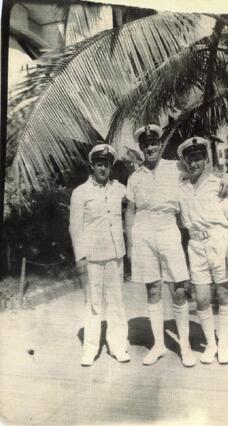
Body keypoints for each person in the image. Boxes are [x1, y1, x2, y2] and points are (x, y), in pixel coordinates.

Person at [125, 124, 228, 367]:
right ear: (141, 148)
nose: (150, 147)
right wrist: (130, 245)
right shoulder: (134, 177)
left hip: (168, 228)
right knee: (152, 289)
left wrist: (224, 174)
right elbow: (130, 211)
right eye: (145, 144)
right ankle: (159, 345)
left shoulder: (176, 167)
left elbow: (203, 170)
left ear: (160, 145)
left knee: (179, 289)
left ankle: (184, 346)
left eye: (154, 143)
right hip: (142, 230)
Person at [177, 137, 228, 364]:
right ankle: (211, 344)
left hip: (219, 241)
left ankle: (223, 343)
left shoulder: (219, 184)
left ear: (206, 159)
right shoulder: (181, 187)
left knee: (224, 293)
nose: (194, 163)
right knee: (202, 298)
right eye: (190, 159)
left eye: (198, 158)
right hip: (195, 246)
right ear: (185, 161)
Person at [69, 144, 130, 366]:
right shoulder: (80, 193)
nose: (103, 168)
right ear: (91, 166)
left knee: (116, 302)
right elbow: (75, 228)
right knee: (93, 303)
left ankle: (118, 346)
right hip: (92, 256)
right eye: (99, 164)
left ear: (111, 167)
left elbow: (138, 197)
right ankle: (90, 349)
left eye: (107, 164)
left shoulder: (119, 189)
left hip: (115, 254)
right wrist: (80, 258)